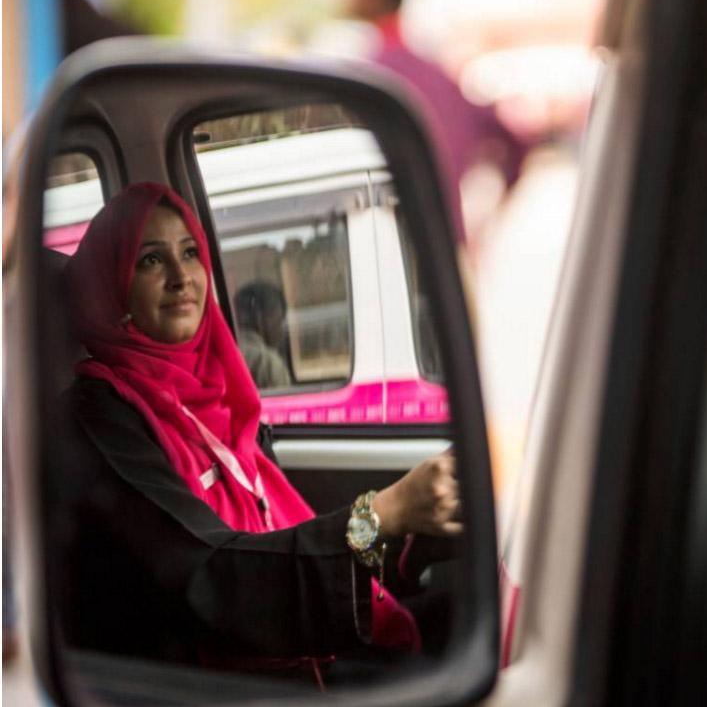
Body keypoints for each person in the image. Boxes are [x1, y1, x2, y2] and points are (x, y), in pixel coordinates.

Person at [58, 182, 461, 680]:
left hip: (284, 643)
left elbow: (274, 536)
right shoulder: (96, 416)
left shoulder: (217, 394)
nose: (183, 277)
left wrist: (405, 541)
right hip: (216, 685)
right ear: (111, 287)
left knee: (463, 614)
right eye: (150, 261)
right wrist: (381, 515)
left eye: (190, 252)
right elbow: (204, 573)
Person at [350, 0, 529, 247]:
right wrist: (489, 215)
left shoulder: (367, 78)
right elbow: (515, 139)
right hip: (447, 248)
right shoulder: (435, 74)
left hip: (396, 250)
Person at [233, 281, 291, 389]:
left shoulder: (228, 353)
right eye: (279, 320)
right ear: (260, 318)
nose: (282, 329)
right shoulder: (268, 363)